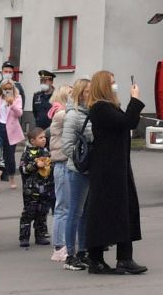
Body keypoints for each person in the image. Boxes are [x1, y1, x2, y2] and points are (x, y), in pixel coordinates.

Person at [81, 70, 147, 275]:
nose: (115, 85)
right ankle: (97, 259)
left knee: (123, 210)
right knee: (106, 212)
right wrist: (135, 100)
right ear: (103, 86)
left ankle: (124, 258)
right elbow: (127, 122)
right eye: (112, 82)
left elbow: (128, 123)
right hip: (107, 168)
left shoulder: (110, 106)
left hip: (116, 166)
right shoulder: (100, 108)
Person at [50, 79, 91, 268]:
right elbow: (66, 145)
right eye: (88, 92)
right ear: (80, 93)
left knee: (84, 212)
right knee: (74, 211)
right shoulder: (72, 114)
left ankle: (83, 250)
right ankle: (70, 254)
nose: (91, 95)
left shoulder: (91, 113)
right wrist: (81, 158)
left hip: (91, 168)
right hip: (78, 169)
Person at [19, 126, 53, 249]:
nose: (44, 139)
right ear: (33, 140)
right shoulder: (27, 152)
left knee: (42, 213)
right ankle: (24, 236)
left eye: (44, 137)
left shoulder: (46, 151)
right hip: (31, 189)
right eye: (40, 138)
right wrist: (35, 164)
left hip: (45, 188)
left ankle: (41, 235)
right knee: (28, 213)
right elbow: (23, 168)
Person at [0, 80, 25, 187]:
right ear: (1, 89)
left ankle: (11, 177)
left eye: (10, 89)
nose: (7, 91)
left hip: (11, 129)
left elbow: (19, 113)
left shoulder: (17, 98)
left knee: (10, 156)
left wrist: (11, 104)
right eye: (5, 89)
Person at [31, 70, 57, 135]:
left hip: (52, 129)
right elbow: (35, 112)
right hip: (39, 129)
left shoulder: (57, 95)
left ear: (51, 82)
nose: (43, 83)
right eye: (41, 81)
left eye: (45, 81)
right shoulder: (37, 96)